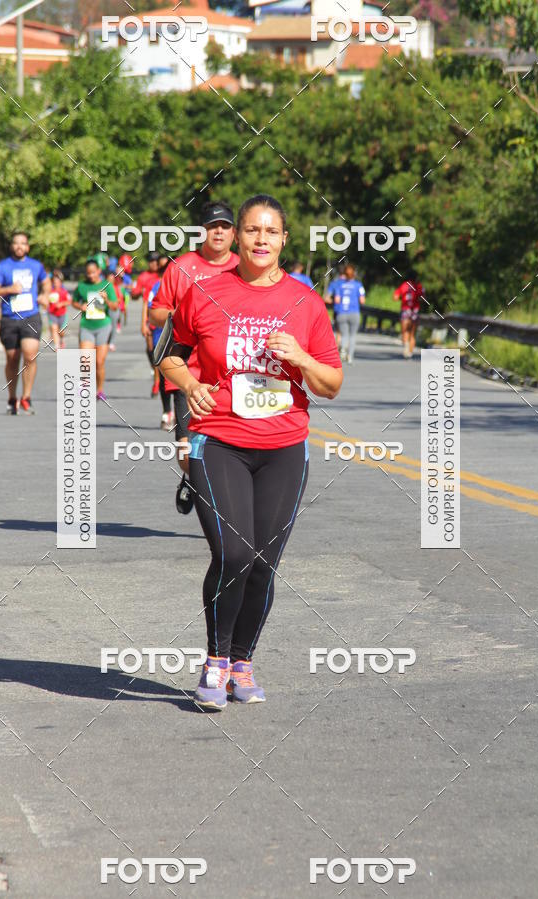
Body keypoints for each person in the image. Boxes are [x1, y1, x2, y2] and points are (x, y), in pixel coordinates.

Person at [158, 194, 343, 709]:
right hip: (218, 440)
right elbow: (168, 357)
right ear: (236, 237)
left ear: (285, 240)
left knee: (262, 561)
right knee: (234, 553)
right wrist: (188, 382)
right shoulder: (205, 293)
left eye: (272, 231)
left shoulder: (306, 303)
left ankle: (243, 662)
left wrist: (302, 356)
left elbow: (330, 384)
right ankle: (215, 661)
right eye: (252, 230)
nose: (262, 239)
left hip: (284, 446)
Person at [149, 201, 239, 515]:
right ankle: (192, 477)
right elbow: (156, 311)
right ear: (202, 231)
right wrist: (184, 316)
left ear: (234, 233)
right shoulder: (181, 267)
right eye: (213, 226)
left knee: (232, 446)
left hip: (230, 374)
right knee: (188, 452)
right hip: (186, 371)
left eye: (225, 226)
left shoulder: (244, 268)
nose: (219, 231)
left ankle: (223, 504)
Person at [0, 231, 50, 415]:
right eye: (16, 243)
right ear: (12, 246)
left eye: (23, 243)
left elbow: (46, 283)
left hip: (31, 316)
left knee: (30, 356)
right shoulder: (2, 267)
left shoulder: (35, 265)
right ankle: (12, 397)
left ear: (28, 247)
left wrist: (45, 294)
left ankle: (26, 397)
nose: (19, 246)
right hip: (10, 317)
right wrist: (9, 289)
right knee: (12, 359)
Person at [71, 259, 119, 401]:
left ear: (99, 271)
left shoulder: (107, 286)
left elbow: (115, 306)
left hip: (103, 326)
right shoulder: (81, 286)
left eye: (93, 272)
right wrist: (80, 307)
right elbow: (73, 301)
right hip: (87, 325)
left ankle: (99, 390)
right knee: (85, 360)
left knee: (99, 362)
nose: (91, 275)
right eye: (88, 273)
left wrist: (107, 300)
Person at [142, 256, 173, 423]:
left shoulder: (187, 285)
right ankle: (167, 410)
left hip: (181, 337)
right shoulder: (156, 286)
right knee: (163, 374)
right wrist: (145, 324)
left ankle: (182, 414)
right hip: (159, 333)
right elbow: (147, 308)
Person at [332, 264, 365, 365]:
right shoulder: (358, 285)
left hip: (342, 313)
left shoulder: (339, 285)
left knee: (344, 334)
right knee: (352, 336)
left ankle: (342, 351)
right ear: (354, 274)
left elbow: (337, 300)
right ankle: (350, 357)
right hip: (354, 313)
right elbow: (362, 300)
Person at [394, 275, 423, 358]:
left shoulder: (404, 285)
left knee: (405, 331)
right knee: (412, 333)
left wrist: (402, 298)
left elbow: (395, 297)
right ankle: (410, 352)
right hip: (415, 311)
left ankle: (406, 347)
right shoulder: (419, 286)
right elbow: (423, 298)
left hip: (406, 310)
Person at [47, 270, 71, 350]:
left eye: (57, 282)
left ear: (60, 283)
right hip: (52, 313)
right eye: (54, 282)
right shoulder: (50, 291)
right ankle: (57, 345)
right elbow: (46, 300)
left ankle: (61, 340)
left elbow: (69, 301)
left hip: (62, 314)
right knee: (54, 328)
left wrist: (61, 304)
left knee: (61, 332)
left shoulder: (64, 292)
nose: (56, 284)